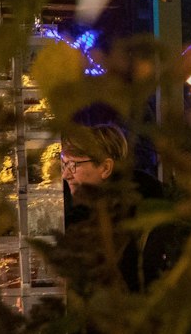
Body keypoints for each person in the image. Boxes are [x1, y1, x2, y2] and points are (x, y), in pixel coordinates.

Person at [59, 120, 176, 292]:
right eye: (63, 163)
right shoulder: (69, 204)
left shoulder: (133, 215)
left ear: (105, 168)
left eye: (73, 165)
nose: (65, 174)